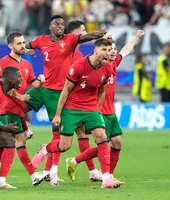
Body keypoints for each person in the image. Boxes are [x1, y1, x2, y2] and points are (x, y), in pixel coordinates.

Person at [24, 15, 108, 185]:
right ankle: (52, 168)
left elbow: (86, 38)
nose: (61, 26)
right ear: (51, 26)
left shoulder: (75, 48)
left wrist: (97, 34)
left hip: (62, 93)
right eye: (82, 31)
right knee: (17, 107)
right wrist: (27, 50)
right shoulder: (44, 41)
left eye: (63, 24)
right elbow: (26, 45)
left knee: (69, 133)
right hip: (46, 89)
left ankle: (54, 171)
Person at [32, 38, 121, 189]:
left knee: (102, 137)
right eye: (104, 50)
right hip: (72, 108)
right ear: (96, 51)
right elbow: (65, 90)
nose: (108, 53)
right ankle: (45, 149)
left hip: (91, 108)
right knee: (64, 145)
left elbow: (102, 91)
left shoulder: (107, 68)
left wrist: (97, 111)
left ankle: (106, 178)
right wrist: (58, 114)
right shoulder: (78, 67)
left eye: (109, 50)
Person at [66, 30, 145, 185]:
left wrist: (136, 38)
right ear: (104, 52)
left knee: (117, 143)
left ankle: (95, 169)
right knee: (104, 144)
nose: (113, 52)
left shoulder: (113, 64)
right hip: (98, 111)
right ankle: (102, 174)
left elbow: (125, 51)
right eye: (110, 49)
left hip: (111, 112)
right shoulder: (95, 67)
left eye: (114, 49)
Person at [0, 31, 47, 187]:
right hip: (7, 107)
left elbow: (34, 84)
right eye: (19, 43)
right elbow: (1, 85)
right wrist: (19, 97)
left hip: (18, 109)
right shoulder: (4, 62)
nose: (22, 46)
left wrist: (41, 81)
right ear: (10, 46)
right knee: (19, 140)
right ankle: (28, 176)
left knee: (3, 143)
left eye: (23, 42)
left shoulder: (26, 64)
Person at [65, 20, 102, 182]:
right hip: (68, 100)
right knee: (63, 141)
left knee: (83, 134)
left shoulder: (79, 55)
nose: (87, 32)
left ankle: (92, 171)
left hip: (80, 101)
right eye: (84, 30)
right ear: (76, 34)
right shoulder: (66, 51)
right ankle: (49, 167)